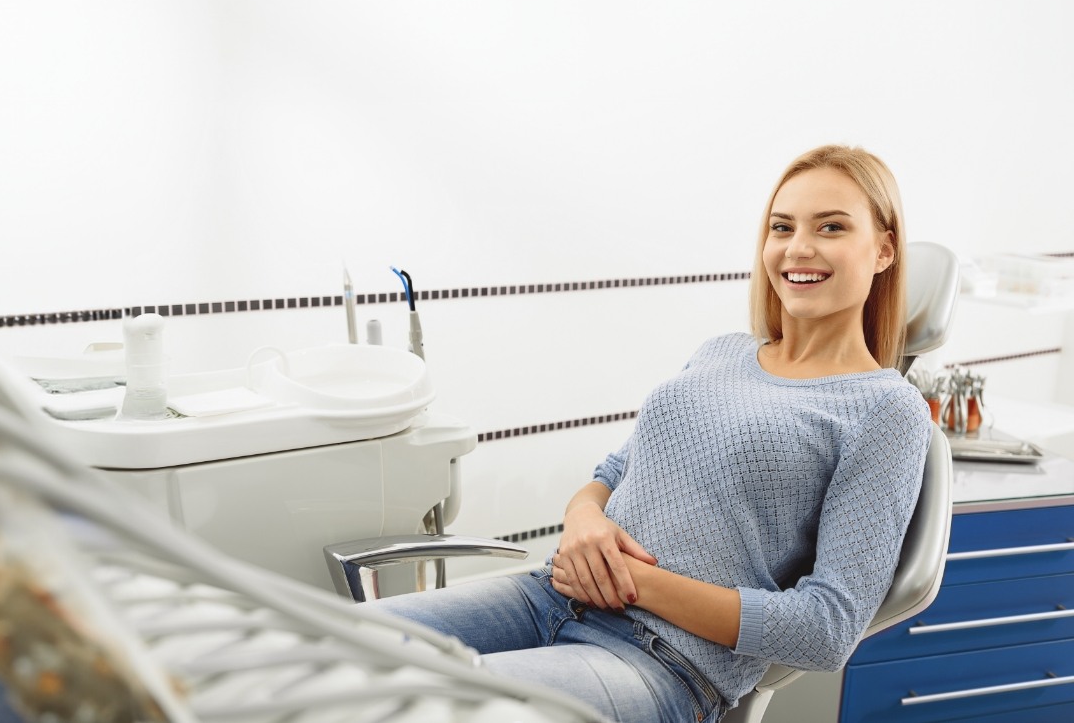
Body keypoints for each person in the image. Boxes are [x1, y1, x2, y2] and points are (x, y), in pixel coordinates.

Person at [367, 145, 932, 722]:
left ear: (884, 248)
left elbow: (826, 629)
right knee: (324, 649)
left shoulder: (888, 410)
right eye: (781, 227)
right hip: (548, 595)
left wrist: (633, 583)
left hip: (661, 661)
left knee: (435, 706)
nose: (798, 248)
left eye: (831, 227)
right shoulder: (722, 353)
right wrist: (582, 520)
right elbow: (612, 476)